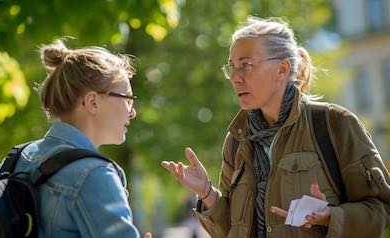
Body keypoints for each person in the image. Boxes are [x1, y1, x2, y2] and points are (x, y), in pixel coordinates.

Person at [161, 16, 390, 238]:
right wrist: (207, 193)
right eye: (232, 67)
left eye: (246, 65)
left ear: (282, 69)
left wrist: (332, 216)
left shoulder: (334, 123)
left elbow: (381, 210)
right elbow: (230, 231)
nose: (234, 78)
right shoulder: (236, 141)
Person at [0, 40, 151, 238]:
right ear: (93, 102)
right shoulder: (95, 174)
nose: (132, 112)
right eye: (127, 99)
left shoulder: (17, 157)